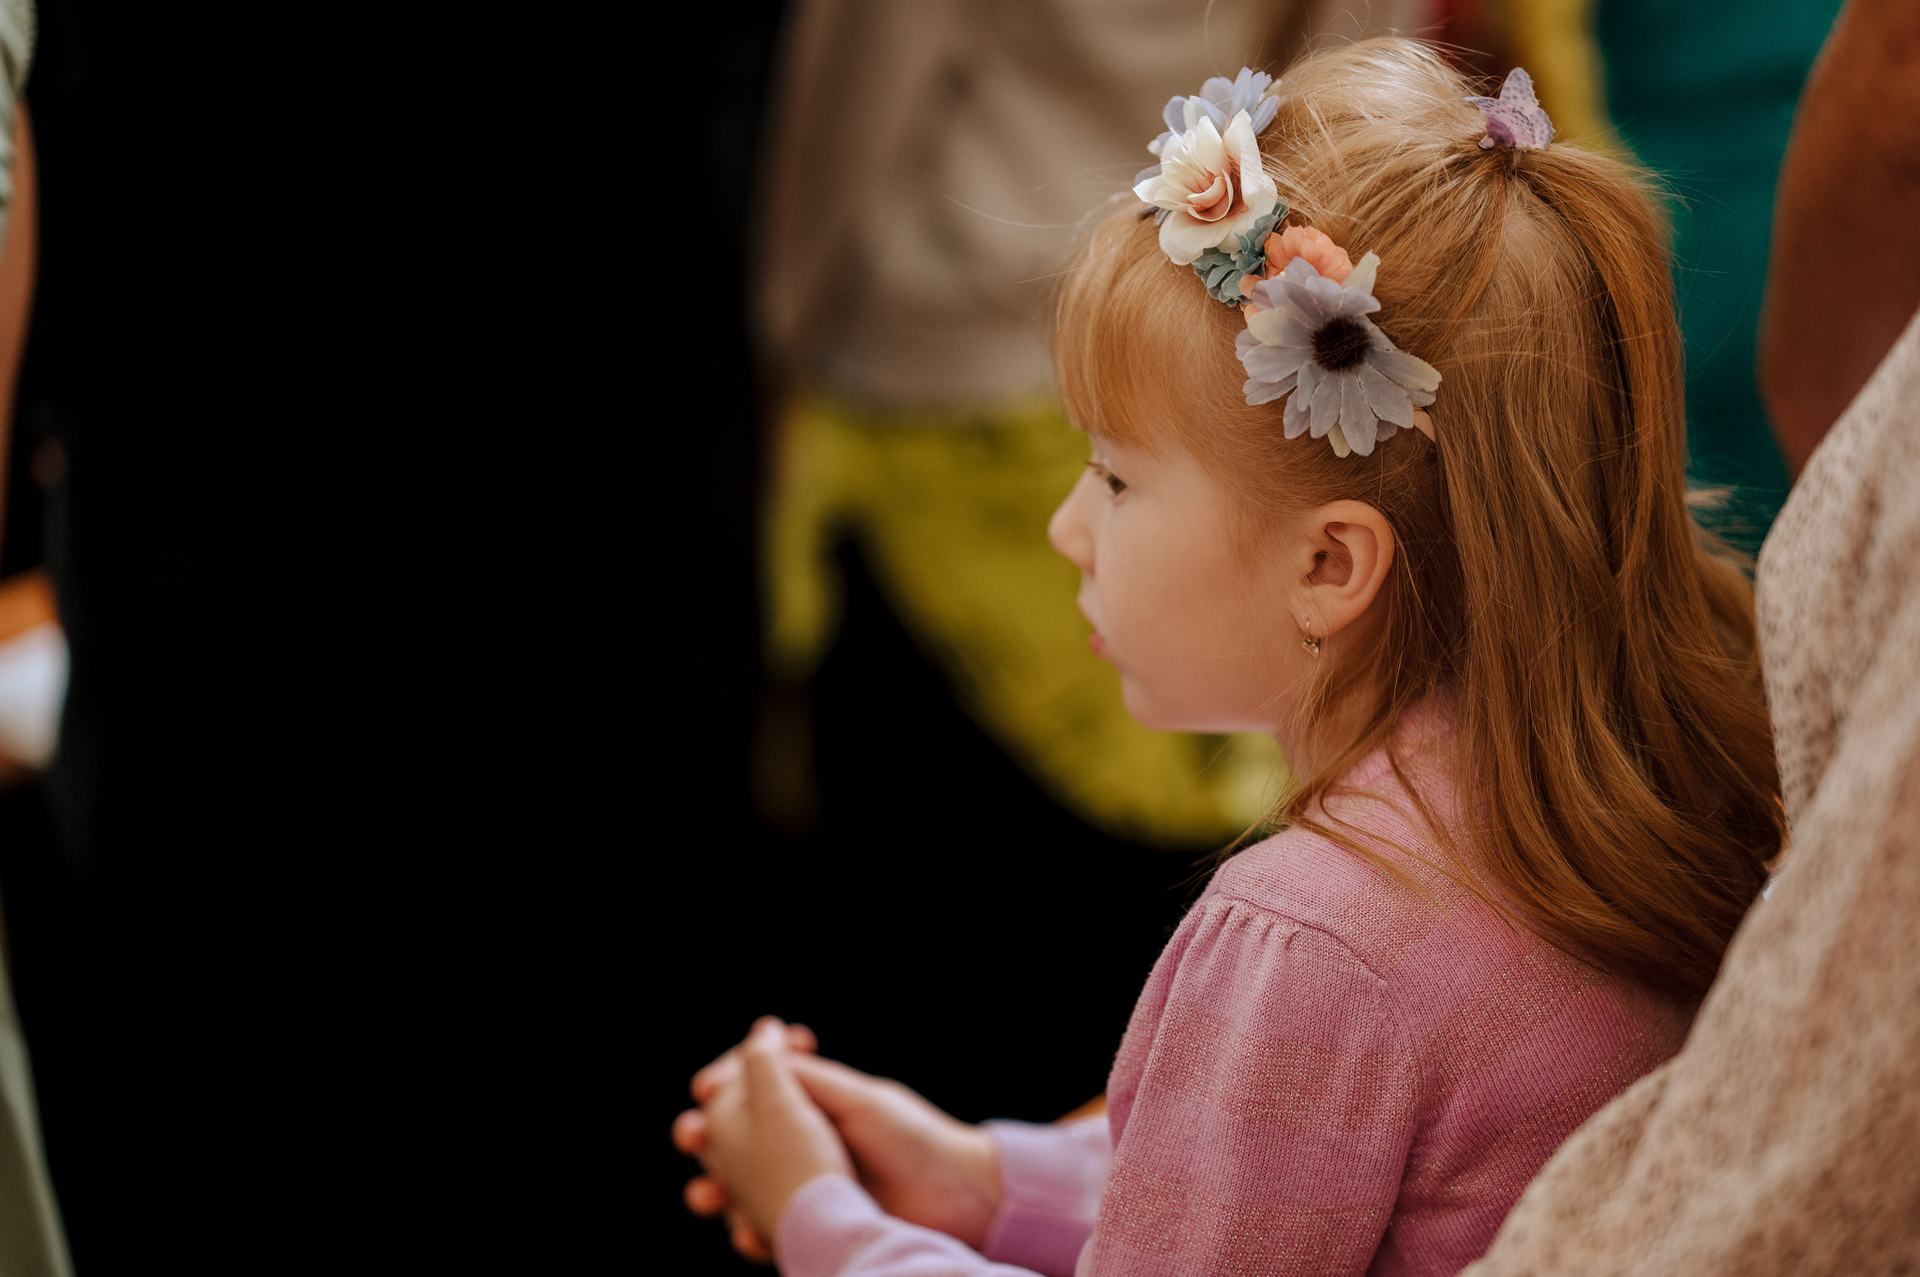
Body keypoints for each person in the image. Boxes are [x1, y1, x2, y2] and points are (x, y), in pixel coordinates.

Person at [674, 38, 1786, 1275]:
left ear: (1330, 563)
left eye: (1114, 477)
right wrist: (986, 1180)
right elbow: (1294, 1187)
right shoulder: (1614, 785)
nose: (1068, 528)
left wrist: (822, 1222)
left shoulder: (1311, 944)